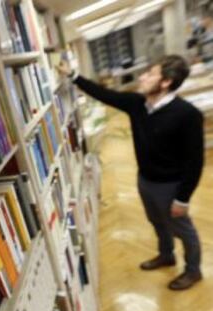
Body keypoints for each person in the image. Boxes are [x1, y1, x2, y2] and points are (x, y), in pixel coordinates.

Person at [57, 55, 204, 290]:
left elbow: (195, 162)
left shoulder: (187, 115)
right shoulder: (137, 104)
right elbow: (106, 95)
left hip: (171, 186)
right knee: (156, 221)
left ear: (166, 82)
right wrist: (73, 76)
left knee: (183, 229)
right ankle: (166, 255)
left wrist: (183, 198)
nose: (142, 77)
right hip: (145, 180)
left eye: (150, 73)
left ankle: (193, 270)